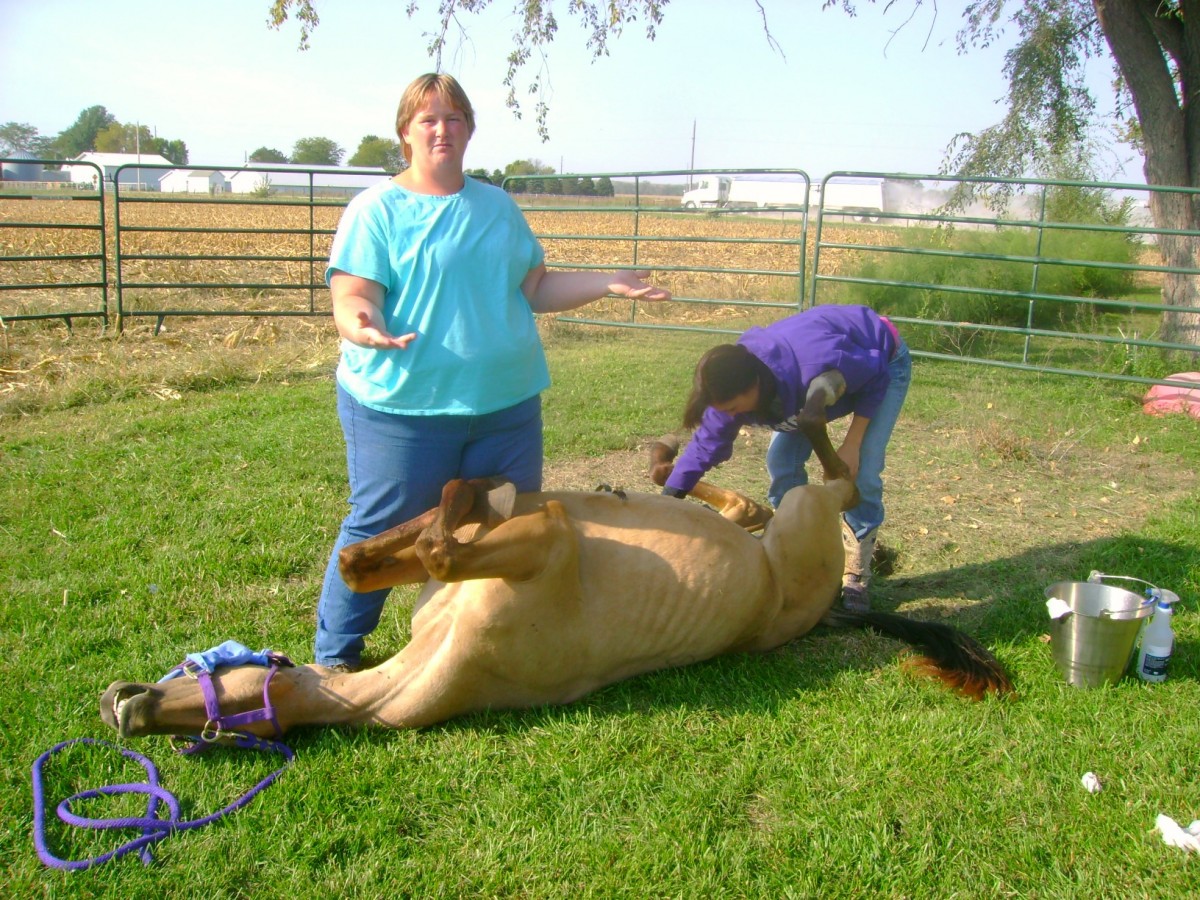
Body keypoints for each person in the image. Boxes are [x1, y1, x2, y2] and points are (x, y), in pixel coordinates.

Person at [316, 73, 671, 670]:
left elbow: (533, 286)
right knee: (383, 525)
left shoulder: (497, 207)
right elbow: (353, 293)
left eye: (454, 118)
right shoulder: (376, 209)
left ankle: (478, 643)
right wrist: (363, 324)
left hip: (505, 406)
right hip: (404, 405)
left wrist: (607, 284)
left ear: (469, 130)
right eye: (427, 119)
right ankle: (335, 659)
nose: (441, 130)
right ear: (405, 132)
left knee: (502, 523)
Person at [659, 304, 910, 611]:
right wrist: (669, 499)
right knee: (782, 462)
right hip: (810, 396)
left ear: (755, 385)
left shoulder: (812, 362)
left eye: (735, 408)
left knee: (864, 469)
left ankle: (856, 571)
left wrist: (853, 442)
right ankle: (798, 546)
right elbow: (704, 446)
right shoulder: (731, 391)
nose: (731, 416)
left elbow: (875, 375)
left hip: (880, 358)